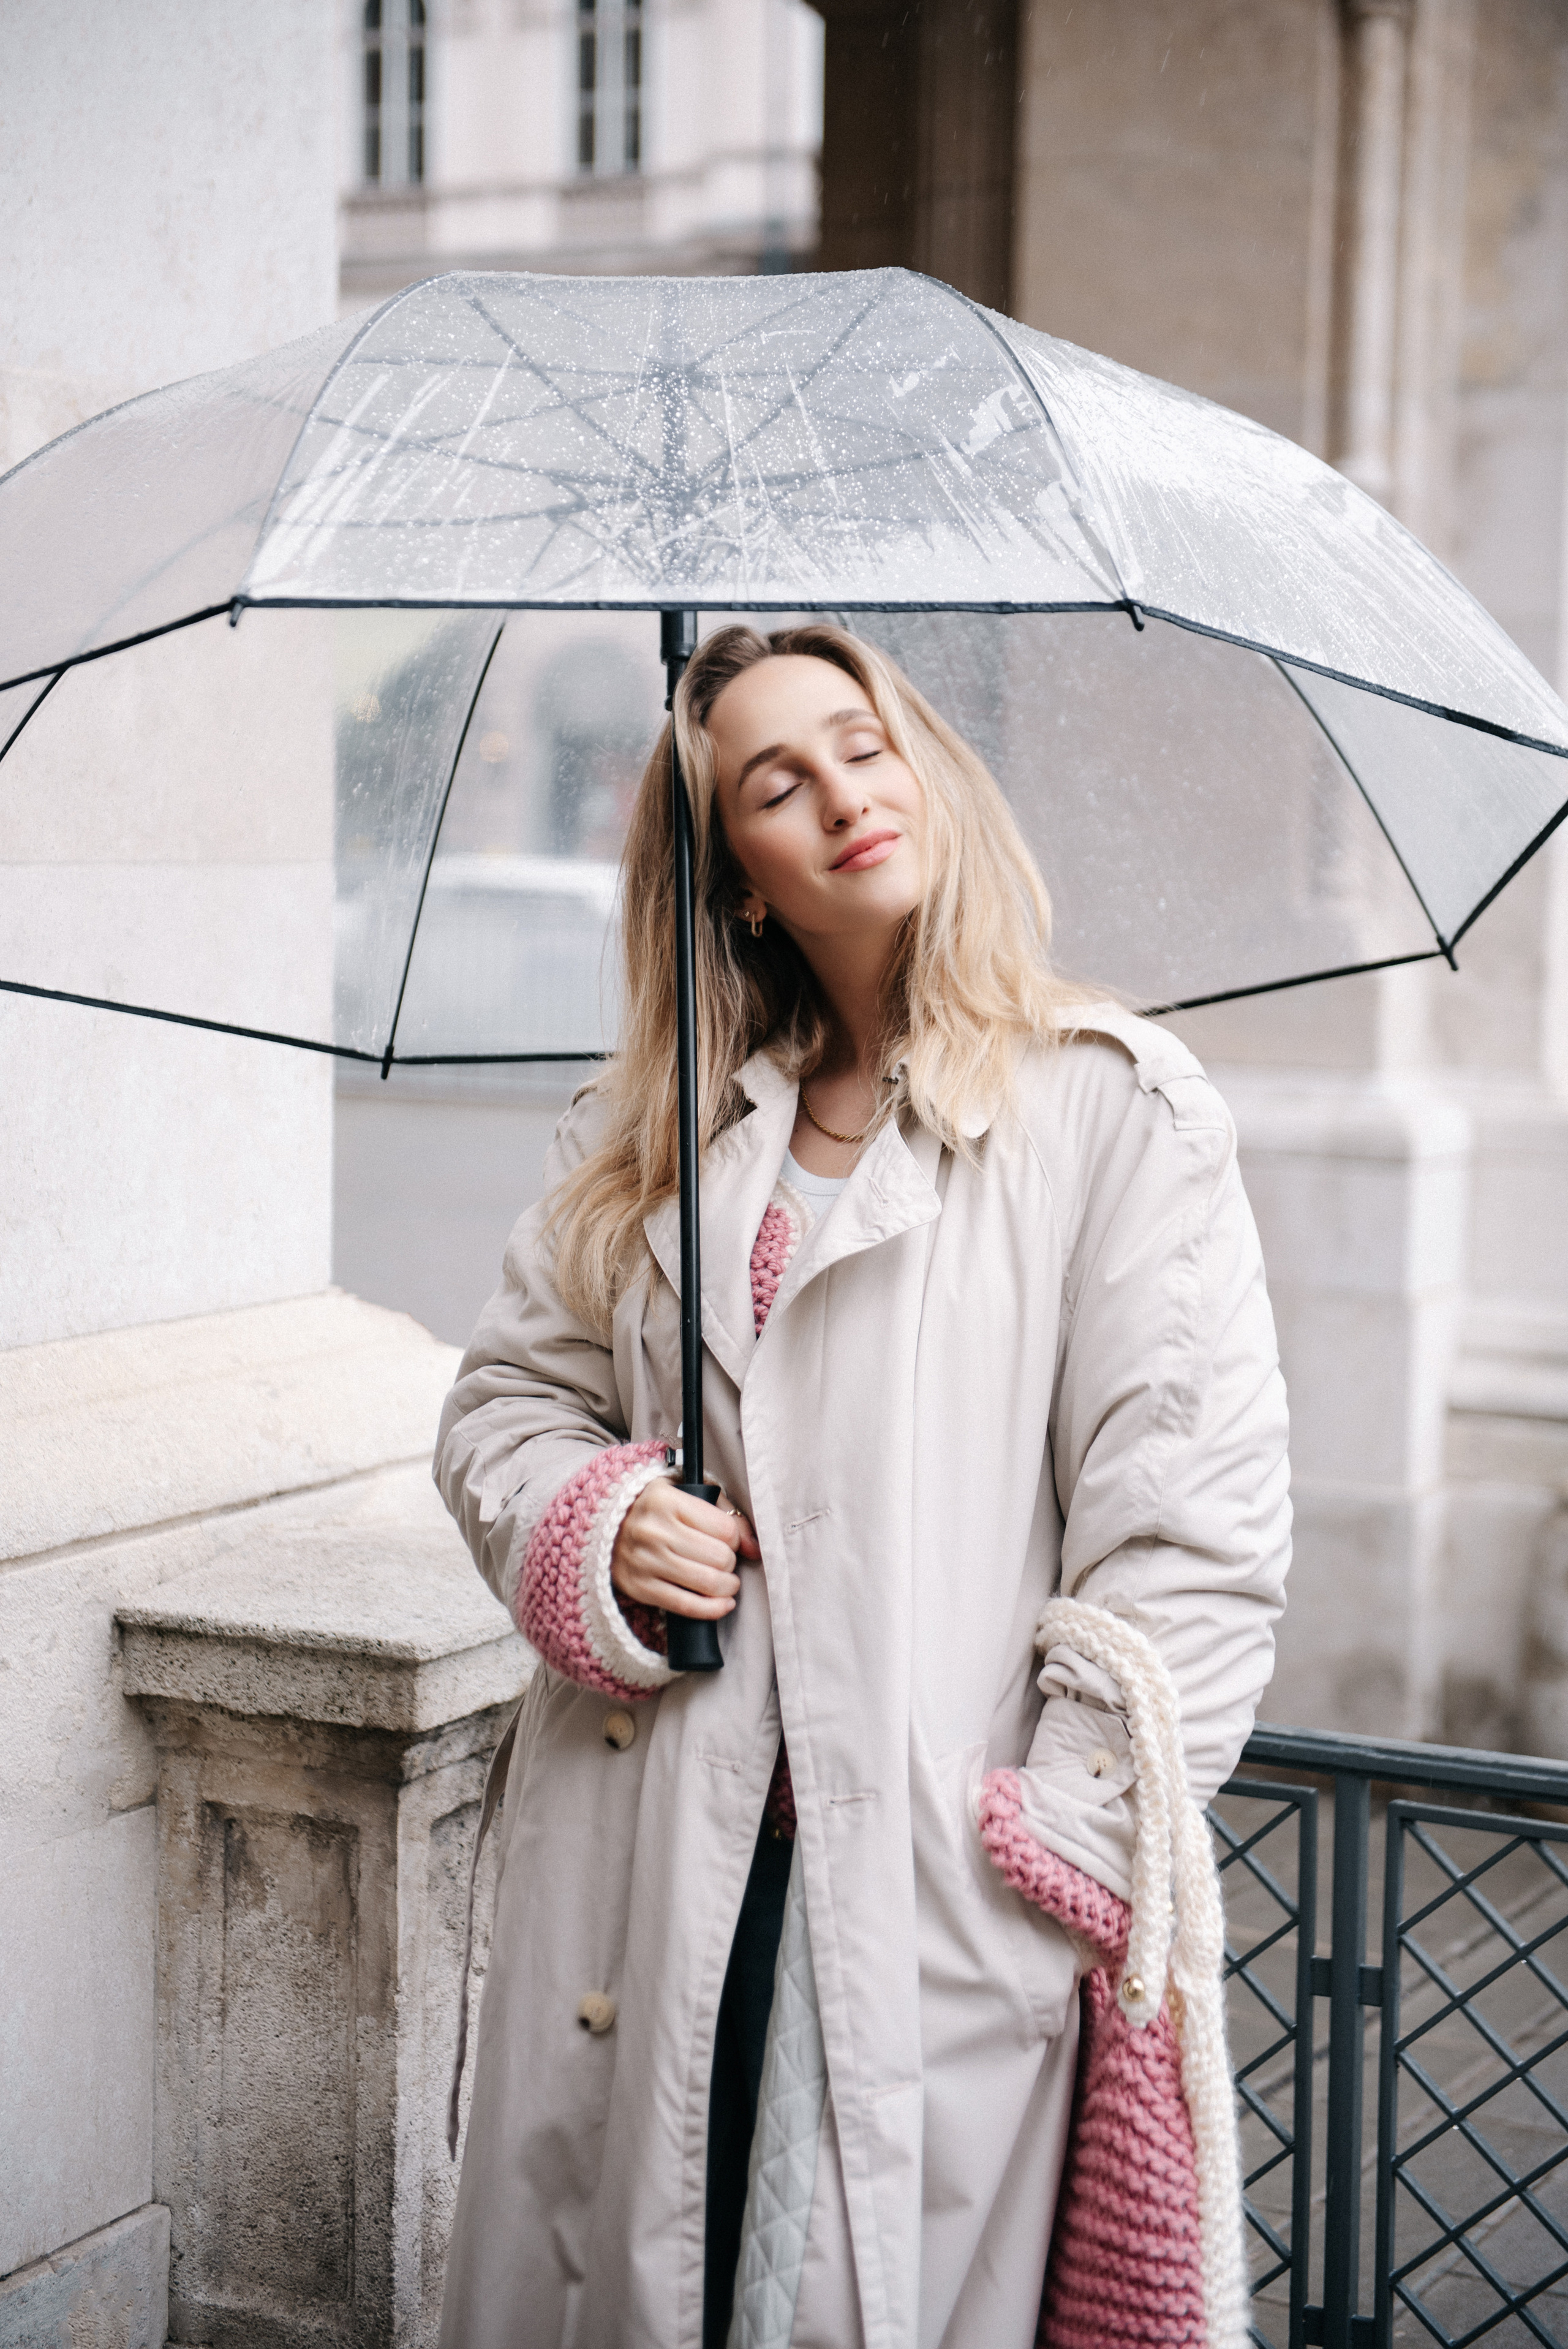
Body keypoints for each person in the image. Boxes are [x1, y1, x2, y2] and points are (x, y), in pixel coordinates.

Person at [432, 622, 1292, 2349]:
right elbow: (502, 1408)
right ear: (735, 876)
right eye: (775, 779)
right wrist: (598, 1529)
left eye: (863, 743)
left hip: (920, 1914)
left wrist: (1040, 1865)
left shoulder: (1109, 1109)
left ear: (925, 770)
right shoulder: (650, 1136)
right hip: (649, 1875)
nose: (841, 795)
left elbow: (1188, 1544)